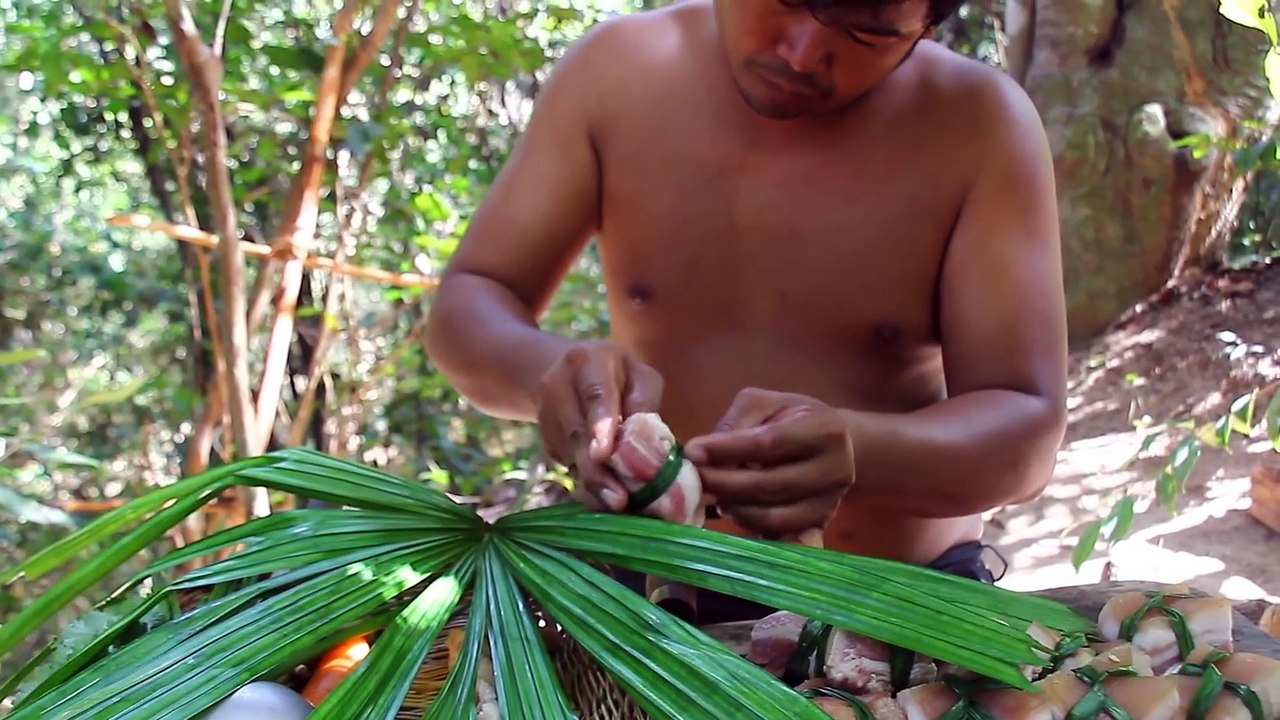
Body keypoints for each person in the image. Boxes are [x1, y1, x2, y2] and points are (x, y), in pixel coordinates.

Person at [424, 0, 1069, 623]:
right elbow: (472, 301)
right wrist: (554, 377)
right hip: (651, 606)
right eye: (784, 0)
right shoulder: (619, 75)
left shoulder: (976, 126)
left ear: (927, 22)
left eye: (867, 31)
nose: (802, 51)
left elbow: (1027, 436)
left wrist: (864, 454)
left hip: (901, 610)